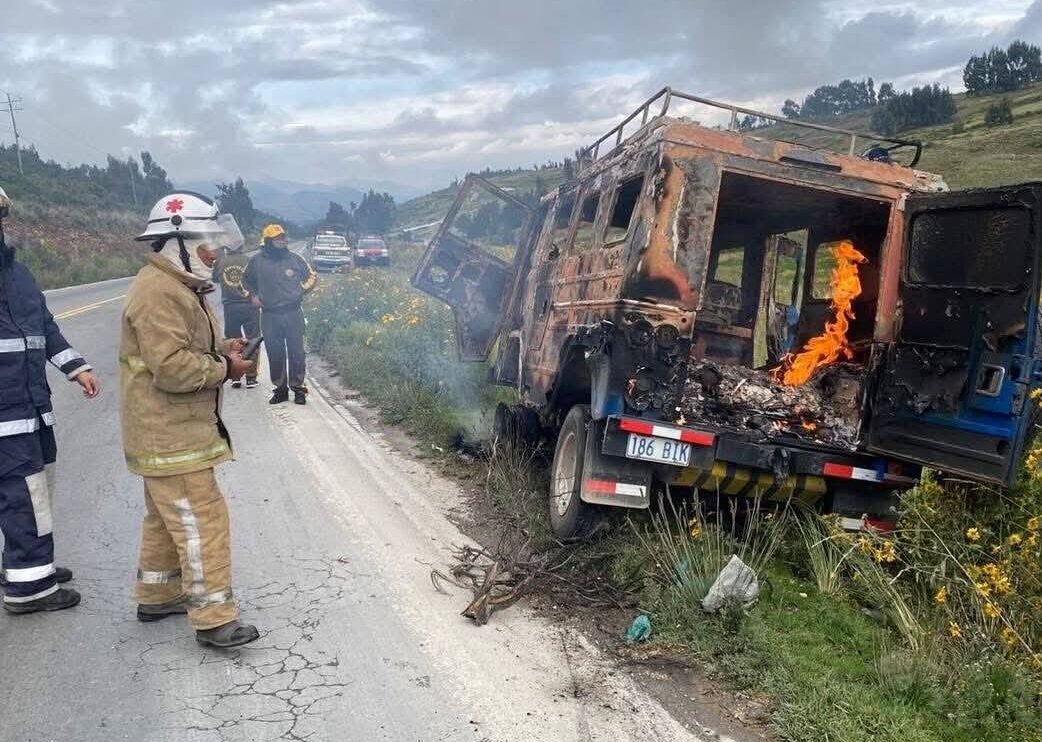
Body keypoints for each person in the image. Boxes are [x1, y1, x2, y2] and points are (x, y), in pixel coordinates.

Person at [121, 191, 259, 648]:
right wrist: (226, 369)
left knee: (166, 519)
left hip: (166, 434)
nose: (215, 254)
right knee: (203, 520)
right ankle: (214, 618)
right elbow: (172, 368)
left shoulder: (175, 286)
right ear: (177, 243)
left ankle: (158, 595)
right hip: (172, 436)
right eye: (207, 244)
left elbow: (183, 347)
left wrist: (222, 350)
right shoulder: (159, 292)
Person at [0, 184, 100, 614]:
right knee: (24, 496)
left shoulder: (18, 274)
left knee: (34, 492)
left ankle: (27, 564)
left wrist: (76, 367)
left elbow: (44, 326)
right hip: (6, 415)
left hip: (33, 408)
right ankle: (30, 589)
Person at [243, 224, 317, 405]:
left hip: (293, 314)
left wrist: (300, 290)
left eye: (283, 237)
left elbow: (312, 276)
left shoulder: (295, 259)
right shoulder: (256, 262)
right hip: (270, 316)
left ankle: (298, 389)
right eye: (278, 238)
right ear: (268, 241)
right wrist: (252, 296)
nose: (283, 241)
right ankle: (280, 389)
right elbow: (244, 281)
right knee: (275, 353)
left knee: (297, 353)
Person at [212, 221, 260, 389]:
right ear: (241, 244)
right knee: (252, 340)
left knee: (233, 341)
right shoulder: (249, 260)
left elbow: (215, 279)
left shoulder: (220, 262)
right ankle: (251, 377)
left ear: (227, 245)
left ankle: (235, 376)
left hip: (230, 306)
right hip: (249, 306)